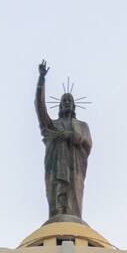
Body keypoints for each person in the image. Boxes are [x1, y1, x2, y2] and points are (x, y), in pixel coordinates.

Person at [34, 59, 92, 222]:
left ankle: (72, 218)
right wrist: (41, 80)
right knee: (56, 193)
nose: (67, 103)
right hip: (56, 165)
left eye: (69, 101)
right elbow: (39, 107)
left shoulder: (81, 125)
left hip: (75, 166)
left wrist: (74, 136)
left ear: (73, 106)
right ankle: (57, 216)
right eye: (64, 101)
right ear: (59, 106)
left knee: (74, 192)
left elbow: (87, 144)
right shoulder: (52, 125)